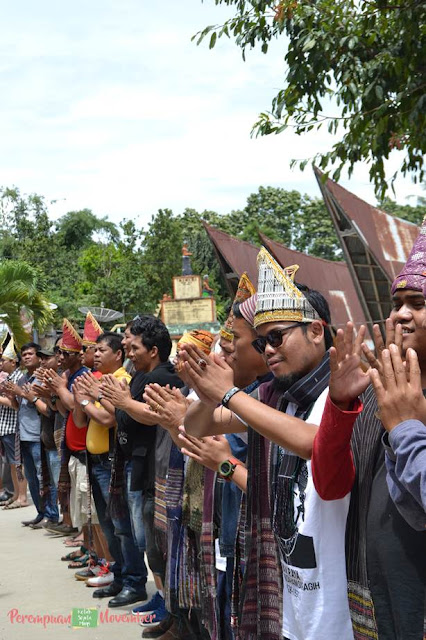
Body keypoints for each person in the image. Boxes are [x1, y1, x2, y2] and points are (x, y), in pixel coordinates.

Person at [183, 249, 353, 640]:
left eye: (276, 337)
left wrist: (227, 394)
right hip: (292, 587)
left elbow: (313, 442)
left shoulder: (342, 390)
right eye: (261, 344)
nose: (269, 351)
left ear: (315, 330)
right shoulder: (273, 394)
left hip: (337, 595)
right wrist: (206, 391)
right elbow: (195, 424)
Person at [311, 221, 426, 640]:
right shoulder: (380, 386)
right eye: (397, 303)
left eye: (417, 302)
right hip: (375, 590)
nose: (399, 314)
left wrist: (409, 424)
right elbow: (331, 484)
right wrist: (340, 405)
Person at [100, 315, 183, 616]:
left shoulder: (163, 376)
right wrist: (116, 401)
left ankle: (171, 607)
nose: (128, 352)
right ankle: (161, 595)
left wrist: (121, 402)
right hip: (139, 467)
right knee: (145, 540)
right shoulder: (141, 375)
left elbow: (153, 415)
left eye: (133, 347)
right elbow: (127, 413)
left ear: (153, 350)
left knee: (156, 542)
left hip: (156, 472)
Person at [72, 332, 149, 604]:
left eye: (102, 350)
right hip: (96, 462)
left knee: (121, 526)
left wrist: (86, 398)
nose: (96, 355)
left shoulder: (121, 381)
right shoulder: (98, 382)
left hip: (112, 462)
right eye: (95, 350)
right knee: (108, 524)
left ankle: (134, 580)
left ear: (119, 354)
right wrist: (78, 397)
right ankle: (119, 575)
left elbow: (107, 418)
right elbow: (81, 423)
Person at [0, 337, 27, 508]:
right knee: (12, 464)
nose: (1, 363)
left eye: (3, 360)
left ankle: (22, 496)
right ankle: (16, 494)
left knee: (17, 464)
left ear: (13, 362)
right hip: (4, 427)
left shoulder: (19, 378)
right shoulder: (9, 377)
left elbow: (15, 404)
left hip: (12, 427)